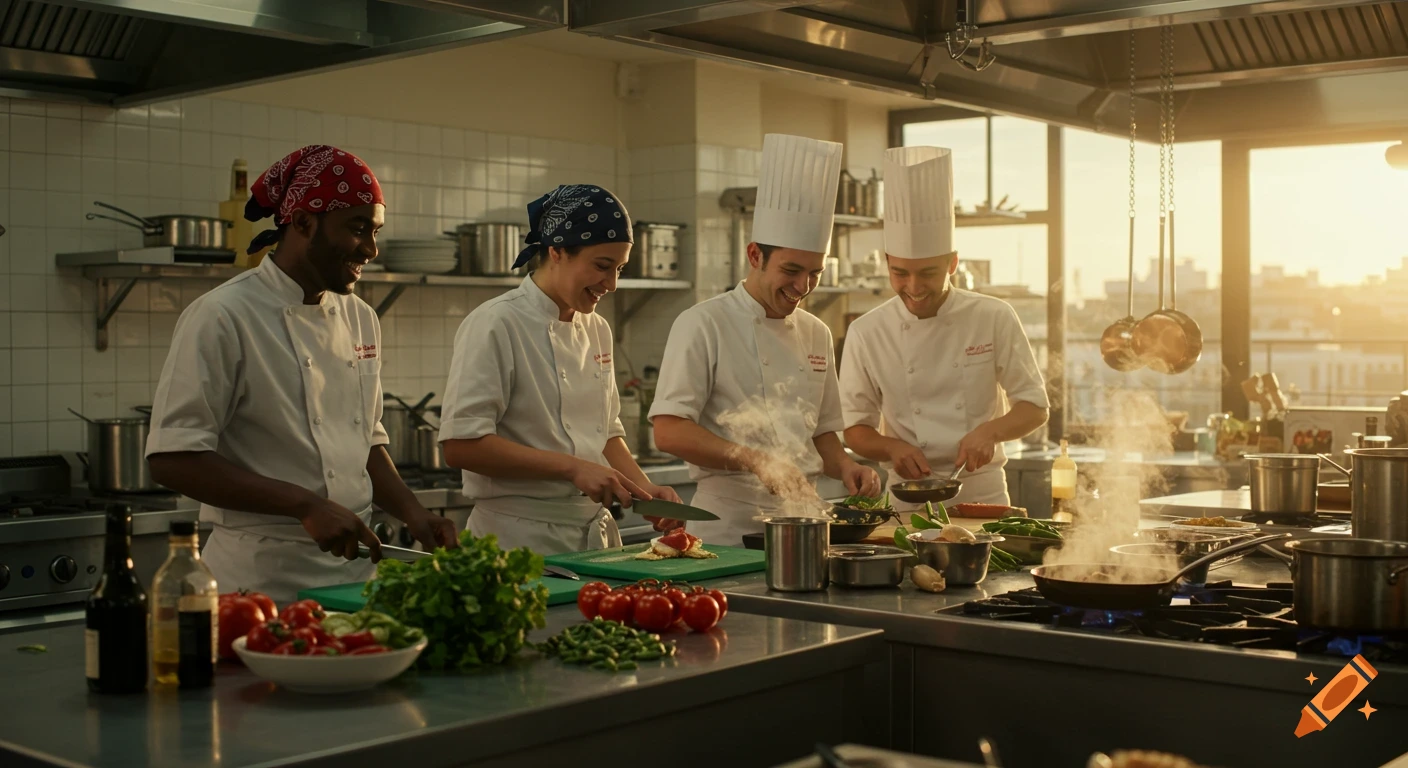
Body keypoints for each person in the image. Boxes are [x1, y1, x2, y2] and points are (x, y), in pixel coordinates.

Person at [145, 145, 458, 605]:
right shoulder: (223, 315)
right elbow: (171, 457)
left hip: (353, 579)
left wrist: (414, 512)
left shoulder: (360, 318)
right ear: (304, 222)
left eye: (375, 232)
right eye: (357, 229)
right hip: (258, 583)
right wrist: (305, 505)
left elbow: (365, 441)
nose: (371, 250)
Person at [650, 134, 881, 545]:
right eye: (791, 270)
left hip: (805, 521)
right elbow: (668, 432)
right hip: (726, 527)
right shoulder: (703, 323)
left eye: (815, 273)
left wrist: (846, 466)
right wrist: (756, 460)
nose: (803, 286)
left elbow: (822, 431)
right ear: (755, 255)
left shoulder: (816, 332)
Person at [438, 184, 683, 554]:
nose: (612, 284)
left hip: (593, 538)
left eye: (619, 269)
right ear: (557, 251)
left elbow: (605, 434)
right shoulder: (496, 323)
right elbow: (460, 447)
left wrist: (643, 489)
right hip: (517, 540)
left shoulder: (597, 328)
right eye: (602, 266)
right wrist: (570, 467)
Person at [839, 146, 1049, 507]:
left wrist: (990, 431)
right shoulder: (867, 331)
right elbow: (855, 429)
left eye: (928, 273)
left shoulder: (993, 316)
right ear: (887, 263)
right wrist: (891, 447)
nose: (914, 287)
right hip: (906, 498)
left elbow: (1035, 407)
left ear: (952, 263)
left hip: (982, 494)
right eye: (900, 273)